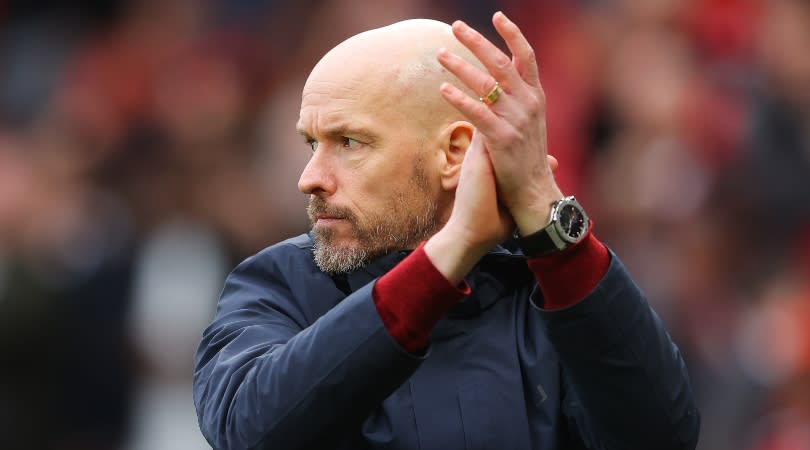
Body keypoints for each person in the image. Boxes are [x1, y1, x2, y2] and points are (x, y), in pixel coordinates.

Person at [193, 11, 700, 450]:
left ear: (455, 153)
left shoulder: (563, 293)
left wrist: (549, 218)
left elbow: (661, 434)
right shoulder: (276, 285)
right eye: (312, 144)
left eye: (348, 142)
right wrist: (449, 253)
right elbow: (251, 432)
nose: (310, 179)